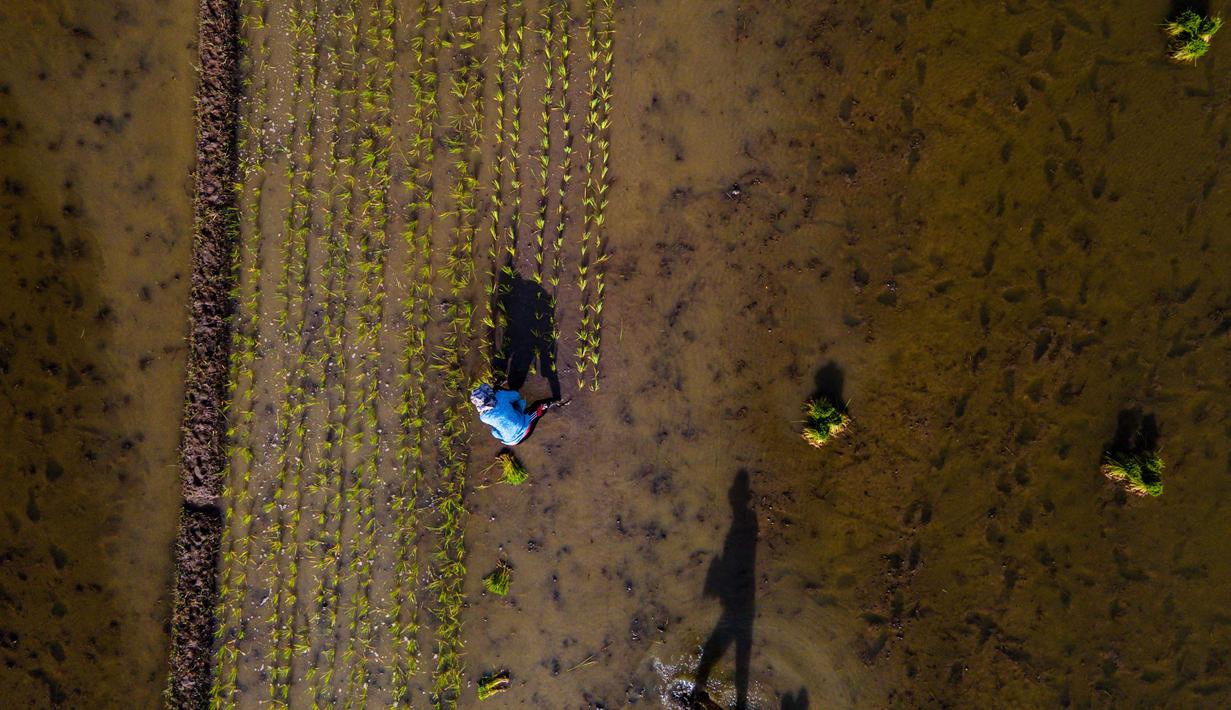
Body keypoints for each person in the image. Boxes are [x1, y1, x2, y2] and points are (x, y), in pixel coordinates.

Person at [469, 383, 567, 446]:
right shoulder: (499, 396)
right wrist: (503, 392)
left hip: (510, 442)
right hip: (524, 428)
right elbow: (516, 395)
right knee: (538, 406)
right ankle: (557, 401)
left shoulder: (483, 417)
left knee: (495, 431)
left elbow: (494, 432)